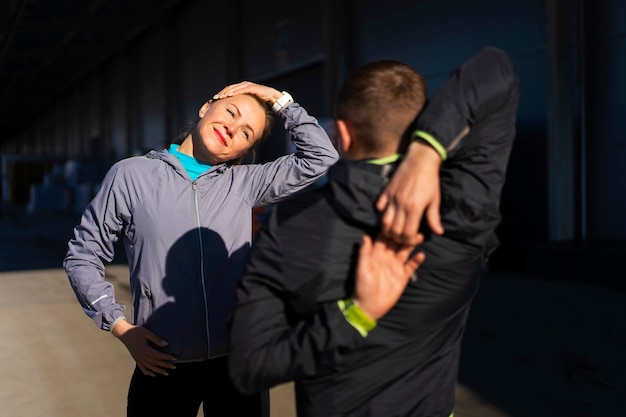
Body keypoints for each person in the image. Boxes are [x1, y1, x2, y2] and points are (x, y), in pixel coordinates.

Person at [227, 46, 520, 417]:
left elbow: (249, 368)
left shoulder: (289, 229)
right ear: (422, 125)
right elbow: (496, 68)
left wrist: (357, 315)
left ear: (342, 135)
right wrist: (427, 152)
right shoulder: (461, 208)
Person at [63, 81, 339, 417]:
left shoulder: (246, 184)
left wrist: (276, 98)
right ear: (206, 107)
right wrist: (121, 327)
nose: (232, 128)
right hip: (163, 363)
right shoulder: (131, 176)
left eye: (246, 133)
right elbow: (83, 254)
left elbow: (322, 156)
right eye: (231, 112)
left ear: (243, 151)